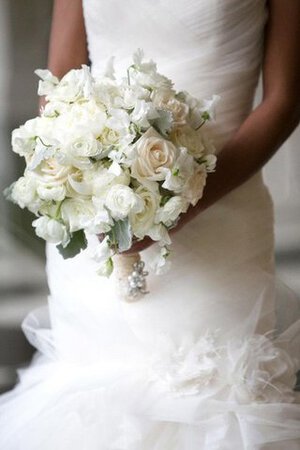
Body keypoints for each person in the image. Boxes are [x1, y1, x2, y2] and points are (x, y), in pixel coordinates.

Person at [1, 0, 300, 448]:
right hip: (97, 211)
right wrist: (83, 173)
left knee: (212, 398)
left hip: (224, 216)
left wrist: (185, 203)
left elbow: (284, 100)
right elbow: (60, 77)